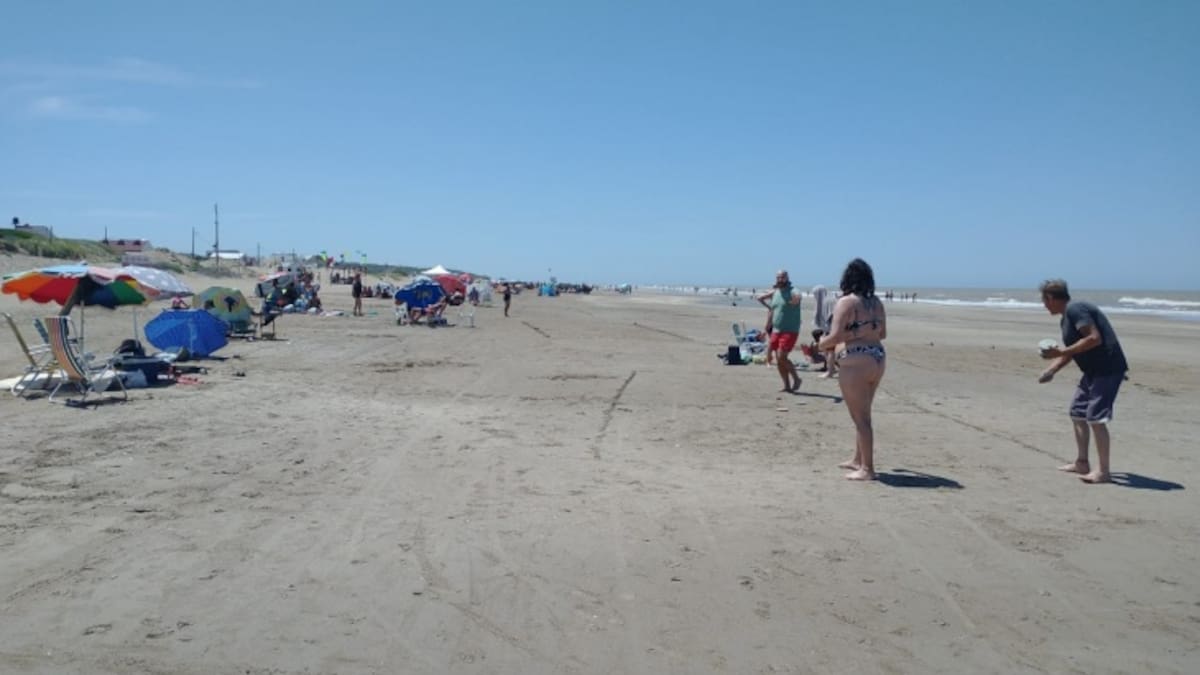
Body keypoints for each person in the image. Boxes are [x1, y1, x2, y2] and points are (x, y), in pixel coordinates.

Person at [1037, 279, 1128, 484]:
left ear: (1050, 298)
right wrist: (1051, 370)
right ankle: (1082, 462)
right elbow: (1072, 351)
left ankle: (1103, 471)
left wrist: (1061, 351)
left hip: (1107, 369)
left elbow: (1094, 338)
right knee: (1077, 413)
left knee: (1096, 418)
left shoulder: (1076, 309)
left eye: (1044, 301)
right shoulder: (1066, 319)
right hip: (1092, 372)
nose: (1044, 305)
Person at [819, 258, 886, 481]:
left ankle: (867, 469)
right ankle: (858, 459)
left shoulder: (846, 302)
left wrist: (821, 344)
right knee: (864, 412)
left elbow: (836, 336)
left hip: (856, 360)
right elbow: (882, 334)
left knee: (861, 418)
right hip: (877, 357)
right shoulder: (876, 302)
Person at [756, 270, 802, 393]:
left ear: (787, 278)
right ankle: (786, 385)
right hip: (776, 329)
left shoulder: (793, 290)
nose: (779, 279)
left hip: (790, 329)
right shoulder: (776, 292)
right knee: (778, 359)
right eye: (778, 277)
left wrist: (796, 300)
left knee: (782, 356)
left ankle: (797, 379)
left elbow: (797, 295)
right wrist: (766, 328)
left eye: (782, 277)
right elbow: (766, 304)